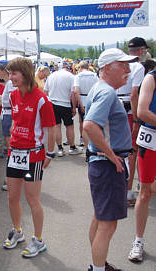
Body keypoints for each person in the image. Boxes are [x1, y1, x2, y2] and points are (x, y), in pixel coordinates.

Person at [83, 48, 138, 271]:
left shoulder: (100, 89)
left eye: (128, 65)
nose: (128, 70)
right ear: (107, 68)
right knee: (107, 224)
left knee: (100, 218)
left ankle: (98, 264)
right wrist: (111, 154)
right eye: (122, 65)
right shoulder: (106, 92)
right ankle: (97, 268)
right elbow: (89, 126)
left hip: (101, 163)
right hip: (106, 165)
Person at [2, 57, 56, 258]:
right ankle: (18, 231)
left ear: (24, 74)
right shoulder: (13, 95)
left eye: (14, 73)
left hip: (33, 155)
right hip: (15, 152)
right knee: (12, 197)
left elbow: (51, 129)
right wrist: (13, 142)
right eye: (9, 73)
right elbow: (16, 122)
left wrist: (49, 154)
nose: (11, 77)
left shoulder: (41, 98)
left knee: (32, 199)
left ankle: (38, 240)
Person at [128, 69, 156, 263]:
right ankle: (138, 241)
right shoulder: (151, 77)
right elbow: (142, 111)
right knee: (145, 192)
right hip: (151, 139)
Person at [116, 37, 148, 207]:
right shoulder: (138, 67)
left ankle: (119, 189)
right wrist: (136, 119)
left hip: (115, 108)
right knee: (131, 153)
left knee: (117, 150)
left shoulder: (120, 63)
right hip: (128, 111)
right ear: (141, 50)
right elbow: (135, 94)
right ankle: (127, 193)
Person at [44, 61, 82, 156]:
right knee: (69, 126)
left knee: (57, 126)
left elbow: (45, 91)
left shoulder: (51, 76)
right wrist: (74, 107)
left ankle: (60, 148)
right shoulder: (70, 77)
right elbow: (73, 93)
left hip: (52, 103)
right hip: (65, 104)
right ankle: (72, 147)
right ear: (69, 68)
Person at [0, 60, 17, 190]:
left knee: (12, 149)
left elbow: (14, 102)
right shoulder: (9, 83)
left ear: (3, 70)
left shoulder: (10, 83)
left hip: (10, 116)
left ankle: (12, 179)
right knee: (12, 148)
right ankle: (13, 178)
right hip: (8, 115)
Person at [74, 60, 99, 147]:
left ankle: (82, 139)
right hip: (93, 100)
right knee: (93, 121)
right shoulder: (94, 75)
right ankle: (93, 140)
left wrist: (80, 104)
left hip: (83, 99)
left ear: (80, 68)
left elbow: (76, 91)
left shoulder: (78, 76)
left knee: (82, 122)